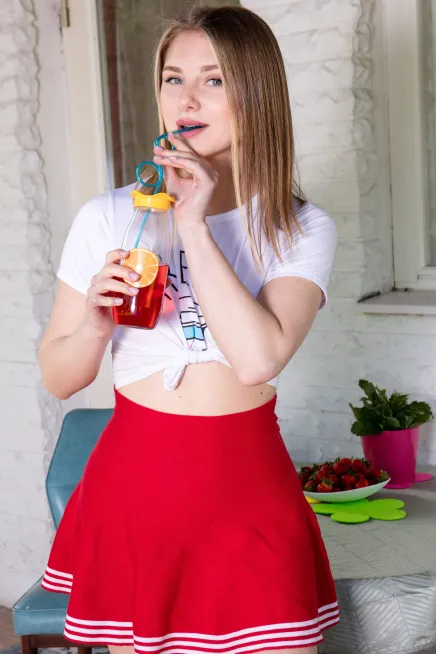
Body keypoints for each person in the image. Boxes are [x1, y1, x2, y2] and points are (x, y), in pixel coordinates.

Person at [39, 6, 339, 654]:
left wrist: (194, 224)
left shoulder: (298, 227)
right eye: (173, 79)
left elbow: (258, 359)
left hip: (249, 497)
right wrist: (93, 325)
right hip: (133, 496)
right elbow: (59, 377)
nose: (187, 99)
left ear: (256, 92)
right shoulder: (108, 215)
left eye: (214, 79)